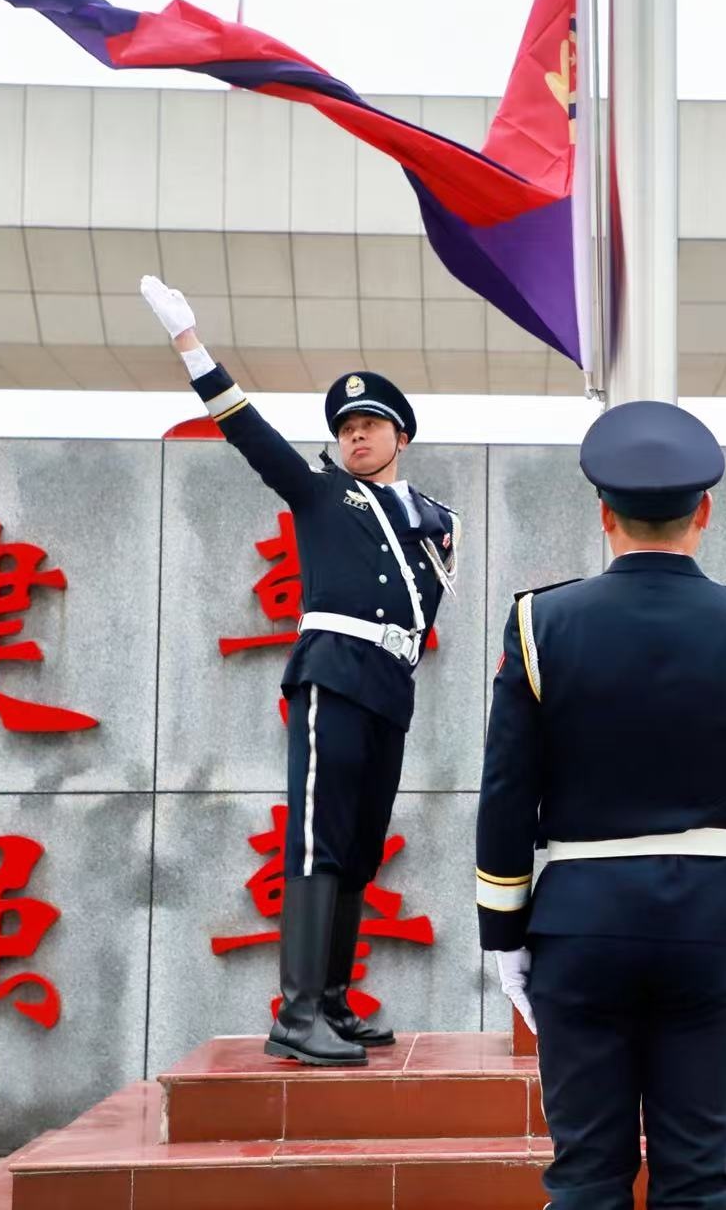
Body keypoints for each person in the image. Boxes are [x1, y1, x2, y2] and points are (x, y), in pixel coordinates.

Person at [475, 400, 726, 1210]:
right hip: (707, 925)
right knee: (697, 1179)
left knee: (586, 1178)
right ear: (705, 511)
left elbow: (505, 791)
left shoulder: (539, 622)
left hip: (577, 926)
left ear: (603, 515)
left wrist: (504, 937)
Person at [141, 275, 459, 1067]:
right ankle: (297, 1011)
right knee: (318, 836)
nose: (356, 436)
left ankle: (336, 1000)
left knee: (358, 845)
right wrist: (192, 346)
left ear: (400, 437)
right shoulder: (320, 492)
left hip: (391, 686)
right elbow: (247, 431)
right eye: (347, 426)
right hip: (332, 671)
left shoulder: (432, 521)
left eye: (371, 425)